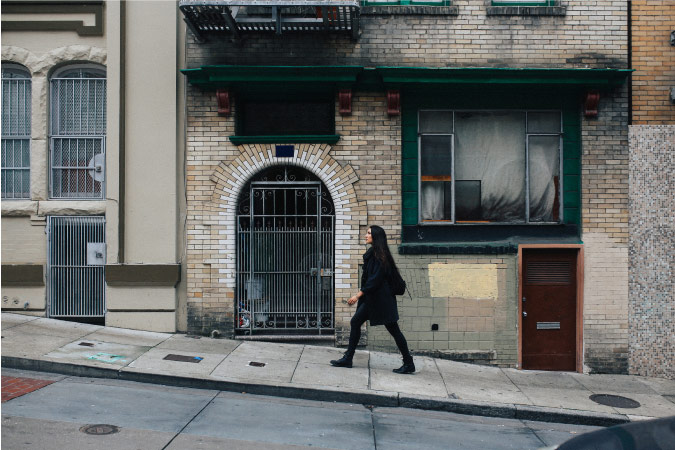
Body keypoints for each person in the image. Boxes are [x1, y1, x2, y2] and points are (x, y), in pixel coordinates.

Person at [330, 225, 415, 374]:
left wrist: (357, 295)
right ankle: (348, 358)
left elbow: (374, 280)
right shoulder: (374, 254)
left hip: (381, 301)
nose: (365, 235)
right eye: (367, 233)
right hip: (374, 299)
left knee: (393, 330)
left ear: (376, 237)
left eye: (369, 233)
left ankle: (408, 363)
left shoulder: (380, 257)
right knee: (357, 322)